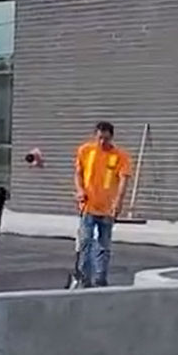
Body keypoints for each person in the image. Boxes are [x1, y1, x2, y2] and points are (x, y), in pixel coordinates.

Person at [72, 121, 133, 287]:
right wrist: (79, 190)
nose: (102, 143)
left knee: (103, 246)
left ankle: (100, 278)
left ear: (111, 137)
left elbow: (123, 180)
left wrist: (118, 202)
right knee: (85, 242)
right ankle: (84, 278)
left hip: (107, 209)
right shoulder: (85, 151)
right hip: (88, 207)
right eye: (99, 138)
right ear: (95, 136)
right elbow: (78, 174)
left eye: (105, 139)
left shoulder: (120, 156)